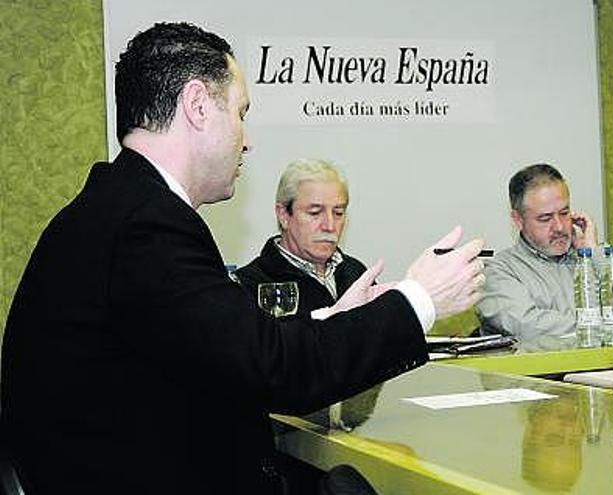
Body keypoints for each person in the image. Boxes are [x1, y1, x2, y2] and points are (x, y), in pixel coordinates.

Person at [0, 22, 484, 495]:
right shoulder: (146, 225)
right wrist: (419, 298)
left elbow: (226, 346)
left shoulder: (117, 209)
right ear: (196, 105)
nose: (246, 139)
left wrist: (332, 318)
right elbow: (274, 372)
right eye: (241, 112)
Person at [476, 163, 596, 350]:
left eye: (564, 213)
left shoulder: (590, 259)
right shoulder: (497, 272)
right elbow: (527, 325)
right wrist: (602, 327)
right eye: (545, 218)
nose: (559, 226)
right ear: (518, 220)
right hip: (539, 377)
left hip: (604, 375)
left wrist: (593, 255)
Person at [235, 159, 366, 312]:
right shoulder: (249, 286)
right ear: (283, 215)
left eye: (338, 213)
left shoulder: (356, 273)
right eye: (315, 213)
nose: (330, 226)